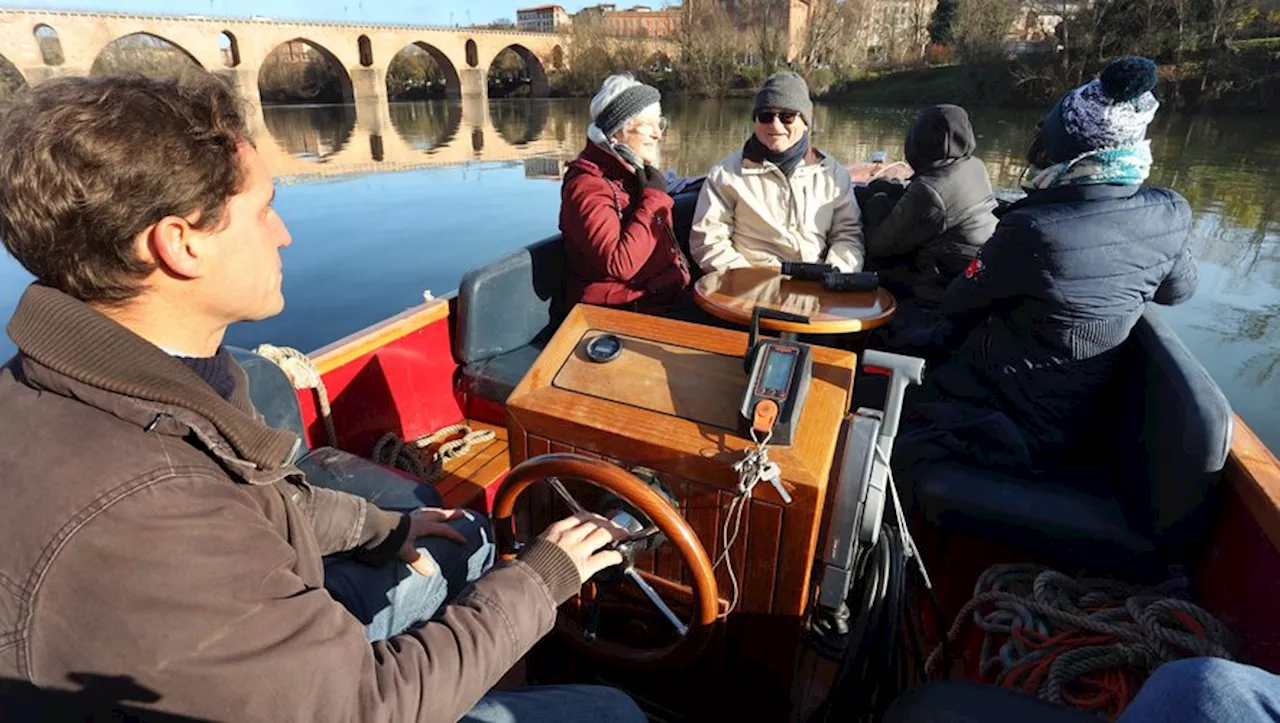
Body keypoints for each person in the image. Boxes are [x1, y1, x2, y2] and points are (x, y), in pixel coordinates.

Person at [0, 75, 644, 722]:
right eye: (262, 210)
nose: (282, 235)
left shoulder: (112, 381)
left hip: (249, 640)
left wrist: (384, 527)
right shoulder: (152, 506)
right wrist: (544, 576)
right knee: (613, 712)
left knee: (466, 538)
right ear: (180, 243)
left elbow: (254, 506)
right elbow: (363, 707)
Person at [895, 56, 1198, 473]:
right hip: (1078, 416)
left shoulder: (1035, 228)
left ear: (1059, 149)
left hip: (1008, 418)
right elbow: (1178, 291)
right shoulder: (1170, 212)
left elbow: (958, 302)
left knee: (878, 405)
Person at [688, 71, 865, 275]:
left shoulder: (833, 174)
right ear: (755, 121)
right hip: (750, 285)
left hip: (816, 285)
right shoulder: (725, 174)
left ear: (806, 122)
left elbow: (848, 236)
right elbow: (708, 241)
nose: (775, 125)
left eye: (787, 116)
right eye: (765, 116)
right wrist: (749, 281)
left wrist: (834, 276)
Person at [560, 74, 691, 314]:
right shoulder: (587, 186)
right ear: (616, 133)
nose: (658, 135)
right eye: (646, 125)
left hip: (660, 298)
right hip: (616, 312)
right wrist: (654, 199)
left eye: (659, 124)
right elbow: (620, 265)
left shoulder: (633, 176)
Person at [865, 104, 998, 309]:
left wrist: (877, 200)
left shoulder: (930, 191)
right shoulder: (975, 166)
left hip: (936, 286)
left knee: (867, 262)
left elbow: (879, 245)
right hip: (968, 271)